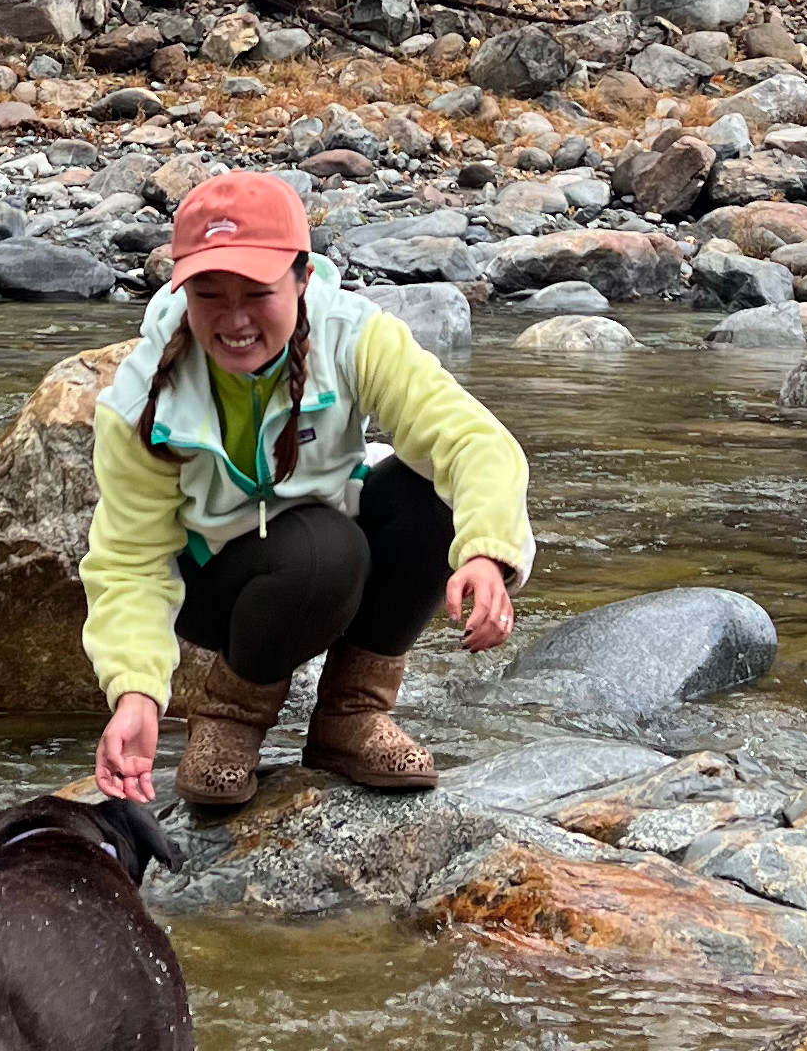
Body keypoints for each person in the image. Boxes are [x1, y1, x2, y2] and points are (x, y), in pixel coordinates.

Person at [82, 169, 532, 813]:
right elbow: (129, 561)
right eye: (209, 295)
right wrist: (135, 694)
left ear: (303, 277)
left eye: (257, 293)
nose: (234, 321)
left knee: (426, 494)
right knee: (324, 550)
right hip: (220, 588)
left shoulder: (356, 336)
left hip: (332, 546)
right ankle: (231, 718)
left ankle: (350, 717)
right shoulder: (141, 396)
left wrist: (486, 552)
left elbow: (473, 441)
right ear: (182, 292)